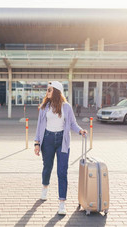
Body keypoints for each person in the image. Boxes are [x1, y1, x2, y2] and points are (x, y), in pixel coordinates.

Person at [34, 81, 87, 215]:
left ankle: (62, 203)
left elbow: (73, 124)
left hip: (62, 141)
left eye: (50, 90)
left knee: (62, 172)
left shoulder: (66, 107)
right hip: (48, 140)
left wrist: (80, 131)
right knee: (47, 167)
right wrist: (37, 143)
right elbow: (39, 125)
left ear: (57, 91)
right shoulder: (44, 107)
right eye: (47, 90)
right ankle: (45, 186)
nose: (47, 92)